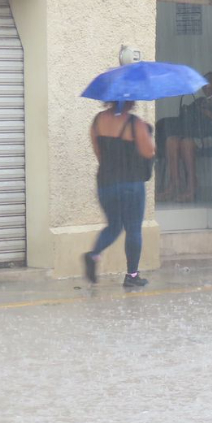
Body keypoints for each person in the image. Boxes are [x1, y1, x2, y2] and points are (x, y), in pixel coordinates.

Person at [83, 101, 156, 289]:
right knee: (133, 229)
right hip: (131, 183)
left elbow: (98, 153)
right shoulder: (135, 123)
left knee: (114, 226)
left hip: (106, 183)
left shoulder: (97, 121)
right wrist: (148, 133)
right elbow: (149, 152)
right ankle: (132, 275)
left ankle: (93, 254)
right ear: (130, 101)